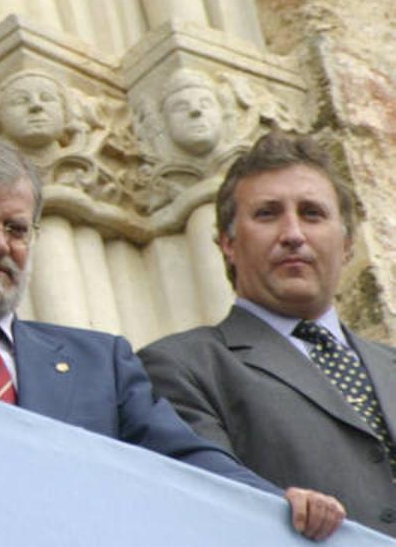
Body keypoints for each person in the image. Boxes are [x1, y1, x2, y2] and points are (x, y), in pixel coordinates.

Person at [0, 134, 346, 541]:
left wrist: (278, 506)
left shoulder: (99, 362)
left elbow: (188, 462)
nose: (0, 244)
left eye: (17, 228)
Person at [141, 132, 396, 536]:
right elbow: (206, 502)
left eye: (312, 213)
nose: (293, 233)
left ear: (347, 244)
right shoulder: (180, 367)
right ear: (228, 243)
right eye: (267, 214)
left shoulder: (390, 366)